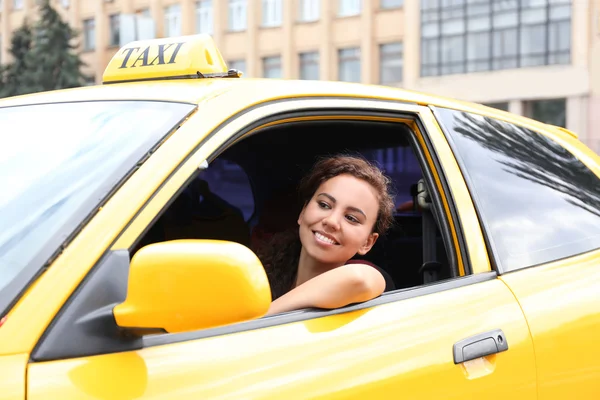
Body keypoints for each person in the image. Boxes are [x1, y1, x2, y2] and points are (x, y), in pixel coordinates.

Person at [259, 155, 396, 316]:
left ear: (367, 242)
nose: (331, 221)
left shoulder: (366, 278)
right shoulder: (265, 272)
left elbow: (359, 279)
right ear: (303, 212)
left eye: (351, 218)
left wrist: (259, 320)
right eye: (324, 205)